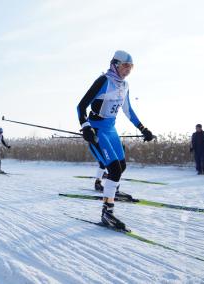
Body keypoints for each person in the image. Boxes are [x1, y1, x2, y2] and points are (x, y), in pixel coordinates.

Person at [77, 50, 154, 231]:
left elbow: (128, 110)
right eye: (125, 66)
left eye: (131, 67)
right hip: (98, 131)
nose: (128, 70)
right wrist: (86, 126)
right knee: (114, 169)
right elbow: (80, 106)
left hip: (111, 130)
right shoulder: (104, 81)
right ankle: (107, 213)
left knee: (122, 166)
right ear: (116, 64)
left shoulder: (125, 85)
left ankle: (112, 191)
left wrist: (143, 128)